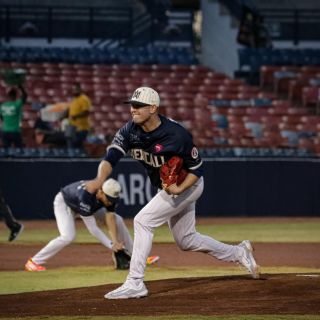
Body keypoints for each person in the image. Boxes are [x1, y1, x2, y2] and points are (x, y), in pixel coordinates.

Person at [85, 86, 260, 299]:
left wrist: (180, 188)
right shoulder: (129, 131)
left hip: (189, 185)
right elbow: (111, 156)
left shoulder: (177, 134)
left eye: (139, 106)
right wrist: (99, 179)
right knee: (186, 240)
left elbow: (197, 169)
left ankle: (135, 282)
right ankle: (238, 252)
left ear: (153, 108)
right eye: (132, 105)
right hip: (170, 187)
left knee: (143, 221)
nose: (133, 109)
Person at [24, 178, 159, 271]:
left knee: (118, 219)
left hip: (85, 205)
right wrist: (112, 245)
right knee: (67, 236)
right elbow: (93, 229)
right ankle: (34, 262)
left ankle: (138, 256)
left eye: (113, 199)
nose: (111, 202)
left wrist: (116, 241)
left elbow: (110, 218)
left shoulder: (108, 195)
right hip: (65, 202)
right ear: (100, 192)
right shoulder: (86, 197)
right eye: (109, 199)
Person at [66, 83, 91, 149]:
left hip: (81, 128)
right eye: (73, 90)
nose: (74, 91)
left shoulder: (84, 99)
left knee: (77, 146)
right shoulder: (74, 99)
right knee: (71, 146)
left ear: (80, 90)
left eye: (76, 89)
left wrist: (75, 116)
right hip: (73, 127)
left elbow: (86, 112)